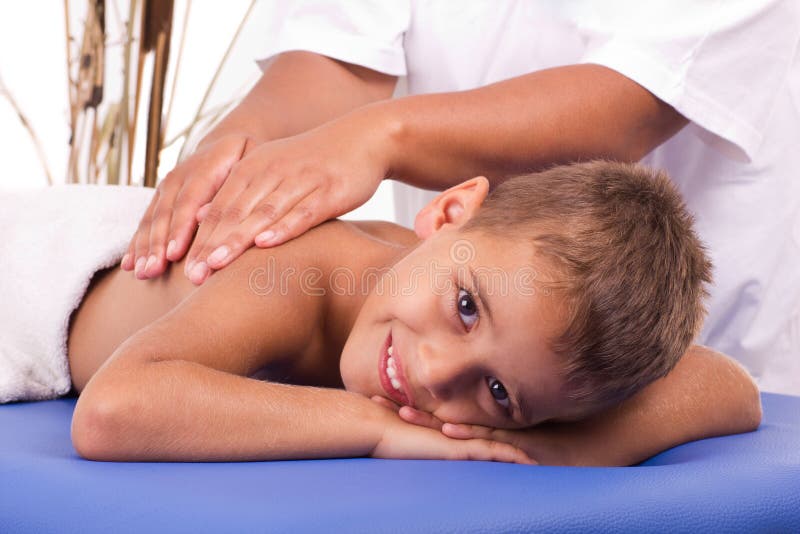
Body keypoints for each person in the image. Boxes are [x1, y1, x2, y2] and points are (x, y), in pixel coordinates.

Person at [122, 1, 800, 396]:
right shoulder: (317, 290)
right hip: (470, 324)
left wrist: (382, 135)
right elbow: (340, 49)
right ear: (450, 210)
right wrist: (247, 142)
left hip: (651, 338)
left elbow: (630, 102)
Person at [11, 160, 753, 465]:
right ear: (452, 209)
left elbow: (729, 388)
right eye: (465, 308)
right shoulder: (295, 276)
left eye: (497, 393)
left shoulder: (484, 273)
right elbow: (113, 411)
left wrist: (547, 447)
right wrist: (377, 429)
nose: (434, 375)